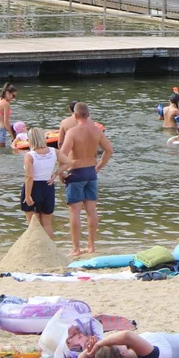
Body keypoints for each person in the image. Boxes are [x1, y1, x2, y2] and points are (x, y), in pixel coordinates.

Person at [59, 102, 113, 256]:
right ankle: (91, 246)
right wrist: (99, 167)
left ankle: (76, 248)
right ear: (88, 115)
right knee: (91, 210)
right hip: (91, 172)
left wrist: (61, 173)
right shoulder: (97, 131)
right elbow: (109, 150)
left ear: (75, 116)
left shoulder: (73, 132)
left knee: (75, 211)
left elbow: (62, 155)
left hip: (75, 173)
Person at [21, 127, 57, 238]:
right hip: (48, 185)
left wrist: (27, 195)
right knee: (46, 223)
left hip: (34, 187)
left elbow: (29, 177)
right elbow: (68, 162)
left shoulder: (30, 155)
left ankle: (37, 249)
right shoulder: (53, 151)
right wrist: (56, 174)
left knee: (34, 224)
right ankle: (50, 248)